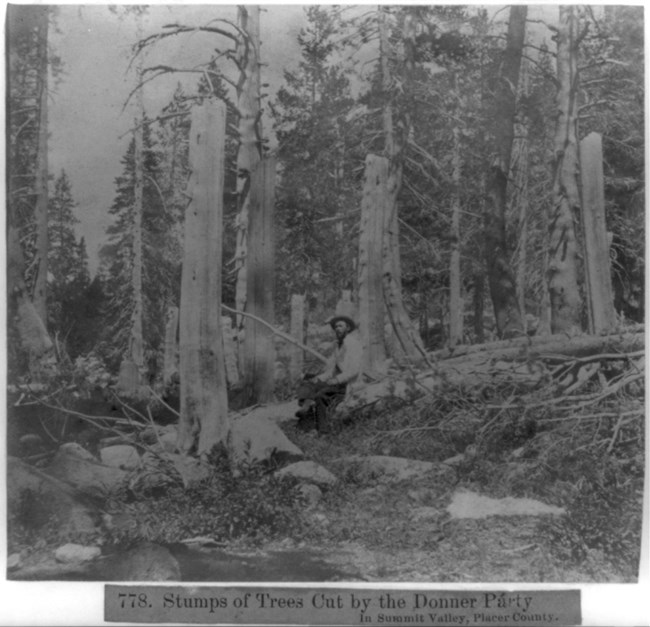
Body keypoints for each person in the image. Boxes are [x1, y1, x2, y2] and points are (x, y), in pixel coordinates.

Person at [295, 315, 362, 433]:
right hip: (337, 382)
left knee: (321, 395)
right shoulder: (337, 345)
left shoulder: (354, 344)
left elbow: (354, 370)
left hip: (348, 384)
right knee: (308, 381)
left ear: (348, 328)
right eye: (336, 327)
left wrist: (337, 380)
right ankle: (305, 410)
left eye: (340, 326)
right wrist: (319, 378)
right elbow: (331, 370)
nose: (337, 329)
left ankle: (323, 431)